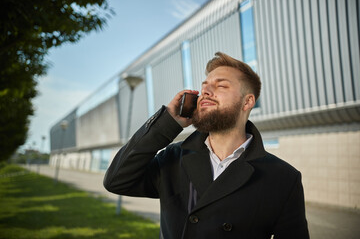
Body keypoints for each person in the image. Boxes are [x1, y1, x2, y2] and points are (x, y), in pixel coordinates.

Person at [104, 52, 309, 239]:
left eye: (220, 86)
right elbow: (116, 181)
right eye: (204, 87)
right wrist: (166, 123)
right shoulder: (174, 157)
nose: (206, 92)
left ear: (247, 102)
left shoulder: (283, 177)